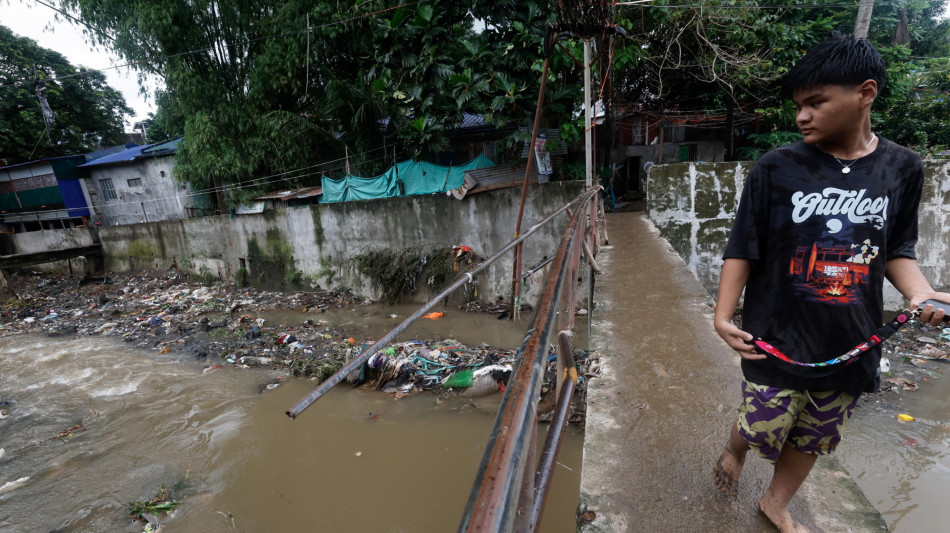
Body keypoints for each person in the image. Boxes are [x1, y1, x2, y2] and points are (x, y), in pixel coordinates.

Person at [710, 34, 950, 533]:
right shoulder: (777, 167)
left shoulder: (903, 167)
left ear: (865, 93)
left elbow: (896, 249)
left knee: (816, 435)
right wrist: (722, 316)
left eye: (816, 102)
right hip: (776, 333)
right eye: (799, 105)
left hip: (852, 339)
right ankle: (737, 448)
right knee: (762, 423)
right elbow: (743, 246)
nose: (802, 116)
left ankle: (775, 502)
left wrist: (919, 293)